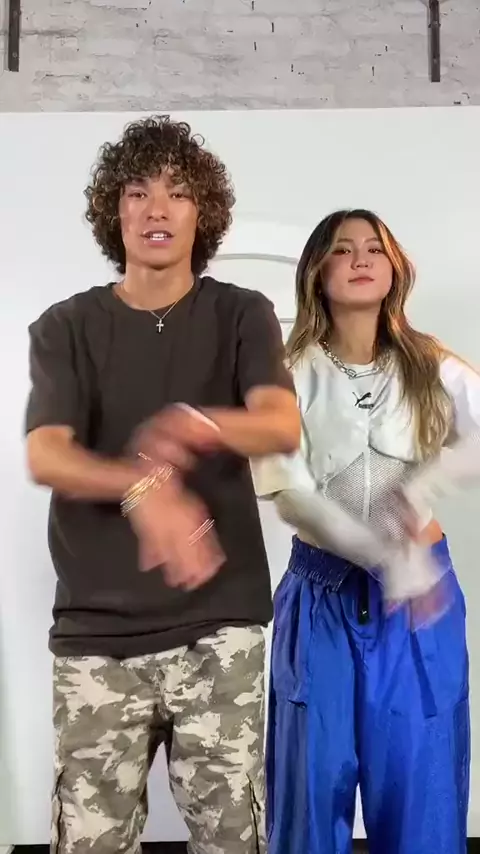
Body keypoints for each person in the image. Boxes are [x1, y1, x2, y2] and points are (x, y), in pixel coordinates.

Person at [24, 114, 300, 854]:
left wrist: (194, 424)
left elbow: (279, 423)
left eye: (177, 192)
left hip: (220, 629)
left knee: (231, 840)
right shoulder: (65, 326)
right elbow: (48, 454)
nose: (156, 208)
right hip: (95, 637)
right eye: (137, 191)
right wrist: (143, 486)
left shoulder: (241, 313)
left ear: (201, 212)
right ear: (112, 211)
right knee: (90, 842)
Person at [252, 209, 477, 854]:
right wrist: (382, 552)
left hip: (418, 606)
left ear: (393, 267)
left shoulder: (431, 363)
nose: (360, 259)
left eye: (374, 248)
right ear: (316, 271)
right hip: (322, 599)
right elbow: (290, 494)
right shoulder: (286, 372)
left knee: (420, 796)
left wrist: (420, 492)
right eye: (342, 249)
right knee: (309, 796)